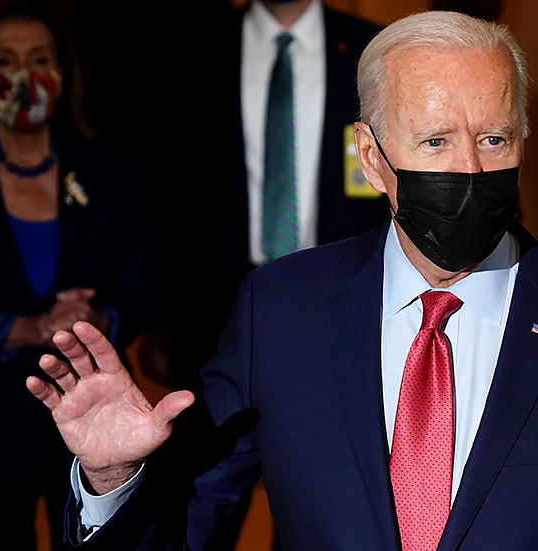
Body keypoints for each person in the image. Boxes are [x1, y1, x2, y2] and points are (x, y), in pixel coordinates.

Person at [27, 11, 538, 551]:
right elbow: (185, 532)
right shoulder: (280, 309)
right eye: (435, 139)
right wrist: (114, 477)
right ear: (371, 160)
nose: (467, 167)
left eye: (493, 137)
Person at [0, 1, 152, 549]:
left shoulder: (108, 171)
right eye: (5, 60)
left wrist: (94, 319)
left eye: (39, 59)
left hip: (89, 425)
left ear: (61, 75)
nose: (23, 76)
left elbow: (142, 290)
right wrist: (31, 327)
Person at [144, 0, 390, 387]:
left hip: (356, 316)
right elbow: (161, 195)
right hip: (212, 324)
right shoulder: (186, 52)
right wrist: (158, 319)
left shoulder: (378, 51)